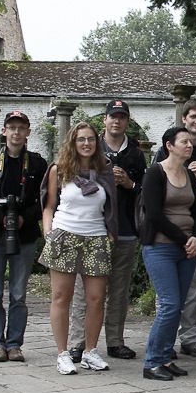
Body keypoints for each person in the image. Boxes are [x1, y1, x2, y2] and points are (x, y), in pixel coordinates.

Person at [68, 99, 145, 363]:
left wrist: (128, 182)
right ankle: (78, 342)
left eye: (122, 117)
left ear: (127, 121)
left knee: (119, 290)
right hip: (91, 229)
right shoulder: (90, 147)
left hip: (124, 228)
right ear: (105, 120)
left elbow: (144, 193)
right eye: (113, 116)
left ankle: (115, 341)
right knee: (83, 290)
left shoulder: (135, 153)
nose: (117, 121)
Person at [0, 110, 48, 363]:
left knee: (18, 294)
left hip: (24, 236)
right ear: (4, 131)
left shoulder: (36, 164)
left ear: (28, 132)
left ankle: (14, 344)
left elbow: (46, 200)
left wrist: (25, 216)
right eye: (12, 128)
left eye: (21, 128)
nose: (16, 133)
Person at [39, 122, 117, 375]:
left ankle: (90, 352)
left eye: (91, 139)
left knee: (96, 299)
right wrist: (49, 233)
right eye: (81, 139)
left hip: (96, 237)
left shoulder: (104, 171)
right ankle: (62, 353)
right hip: (65, 235)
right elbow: (49, 205)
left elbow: (111, 208)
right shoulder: (59, 170)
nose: (86, 144)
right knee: (62, 297)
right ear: (73, 143)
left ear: (97, 142)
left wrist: (110, 234)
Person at [139, 127, 196, 381]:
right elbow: (154, 214)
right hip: (161, 246)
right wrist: (185, 239)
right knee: (169, 304)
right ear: (170, 145)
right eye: (184, 141)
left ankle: (166, 357)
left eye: (190, 141)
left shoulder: (189, 174)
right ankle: (152, 361)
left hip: (186, 248)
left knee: (179, 305)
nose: (190, 145)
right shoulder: (155, 173)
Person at [154, 98, 196, 357]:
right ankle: (164, 340)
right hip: (165, 234)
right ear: (184, 118)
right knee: (167, 292)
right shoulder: (164, 151)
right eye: (193, 117)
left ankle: (189, 337)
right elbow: (154, 194)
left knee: (194, 286)